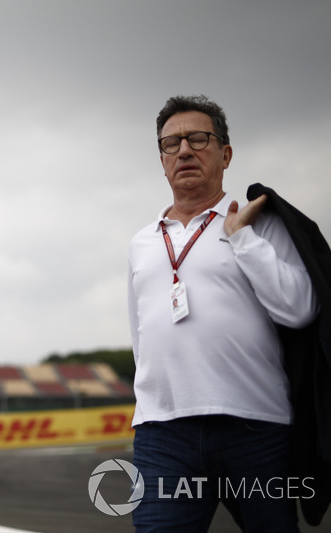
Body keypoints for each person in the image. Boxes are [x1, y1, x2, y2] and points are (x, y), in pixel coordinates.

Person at [127, 95, 318, 532]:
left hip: (255, 427)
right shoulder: (141, 243)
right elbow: (141, 337)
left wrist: (240, 237)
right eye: (171, 144)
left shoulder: (260, 222)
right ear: (161, 159)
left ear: (226, 153)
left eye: (199, 138)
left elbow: (299, 309)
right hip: (163, 433)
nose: (185, 151)